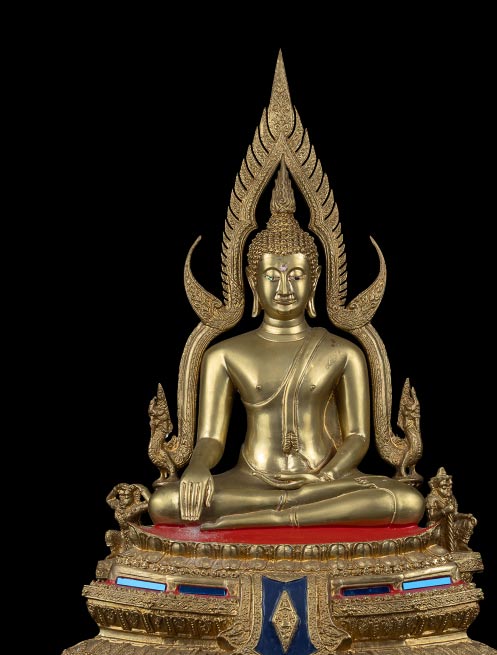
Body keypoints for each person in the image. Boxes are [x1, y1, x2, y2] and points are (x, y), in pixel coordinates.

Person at [149, 165, 424, 529]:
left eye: (296, 276)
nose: (284, 289)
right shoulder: (224, 355)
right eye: (271, 276)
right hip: (251, 481)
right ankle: (289, 512)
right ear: (252, 281)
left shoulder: (343, 352)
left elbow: (358, 437)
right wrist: (198, 466)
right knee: (165, 503)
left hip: (327, 481)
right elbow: (211, 438)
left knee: (406, 501)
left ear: (315, 280)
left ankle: (281, 513)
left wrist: (326, 477)